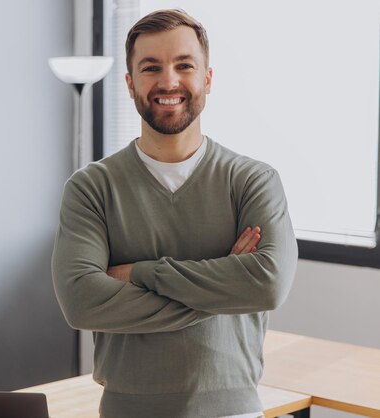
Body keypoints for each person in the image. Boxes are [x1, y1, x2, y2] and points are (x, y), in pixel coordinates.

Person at [51, 9, 298, 418]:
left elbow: (268, 286)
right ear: (130, 85)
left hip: (233, 410)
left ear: (207, 78)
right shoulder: (91, 187)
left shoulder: (253, 181)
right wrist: (225, 282)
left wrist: (139, 274)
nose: (168, 82)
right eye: (151, 68)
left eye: (184, 65)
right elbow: (81, 302)